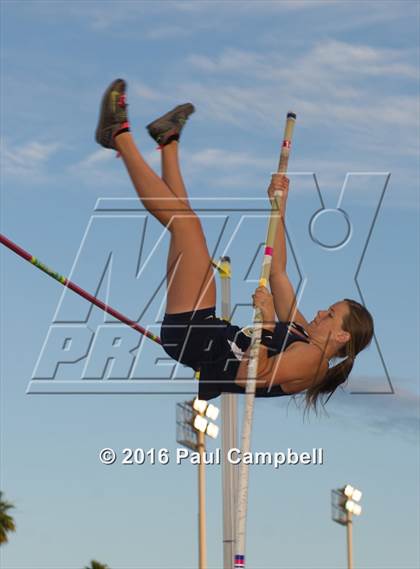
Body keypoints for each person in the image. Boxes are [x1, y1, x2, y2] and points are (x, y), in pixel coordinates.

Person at [95, 78, 374, 408]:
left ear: (342, 336)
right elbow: (279, 274)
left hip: (192, 338)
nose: (319, 312)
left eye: (330, 314)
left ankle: (118, 135)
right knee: (184, 222)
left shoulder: (312, 362)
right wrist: (279, 206)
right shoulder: (302, 332)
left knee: (186, 226)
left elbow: (249, 377)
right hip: (209, 328)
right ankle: (167, 140)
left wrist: (268, 325)